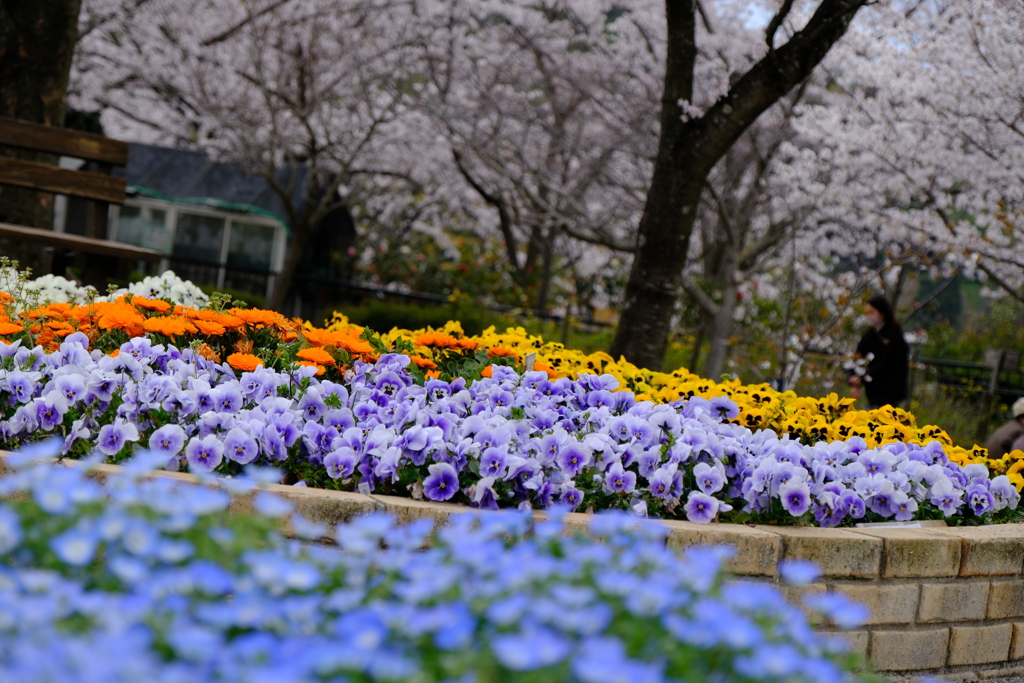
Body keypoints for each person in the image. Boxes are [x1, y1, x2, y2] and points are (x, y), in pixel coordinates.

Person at [847, 294, 909, 409]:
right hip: (873, 392)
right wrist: (853, 379)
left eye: (872, 312)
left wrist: (862, 377)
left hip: (890, 392)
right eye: (867, 313)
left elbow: (886, 364)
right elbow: (858, 357)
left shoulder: (894, 336)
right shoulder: (871, 334)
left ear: (882, 313)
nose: (869, 316)